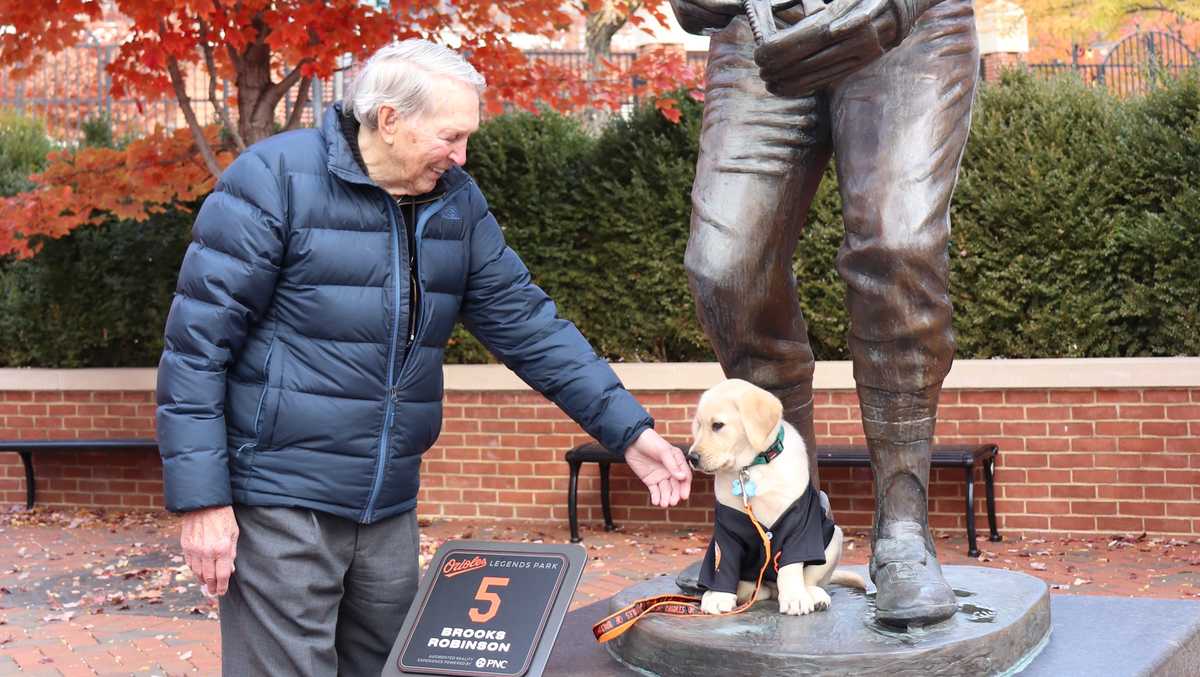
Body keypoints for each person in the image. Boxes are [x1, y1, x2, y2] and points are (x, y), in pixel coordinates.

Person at [155, 39, 692, 675]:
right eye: (451, 136)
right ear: (389, 119)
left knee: (397, 668)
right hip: (282, 497)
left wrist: (627, 430)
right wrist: (203, 502)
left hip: (387, 504)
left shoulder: (455, 203)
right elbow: (194, 351)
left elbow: (527, 323)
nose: (462, 155)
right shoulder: (273, 181)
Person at [667, 0, 978, 625]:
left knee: (899, 244)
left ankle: (903, 528)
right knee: (725, 267)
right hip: (760, 32)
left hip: (908, 30)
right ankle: (781, 524)